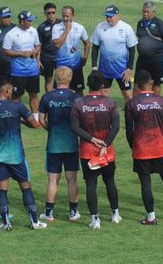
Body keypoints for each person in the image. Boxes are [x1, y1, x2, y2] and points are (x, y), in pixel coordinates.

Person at [0, 77, 46, 231]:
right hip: (16, 155)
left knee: (2, 188)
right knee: (25, 187)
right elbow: (35, 124)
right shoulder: (17, 107)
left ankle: (6, 223)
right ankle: (34, 222)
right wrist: (20, 120)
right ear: (7, 90)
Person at [125, 70, 163, 225]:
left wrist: (133, 146)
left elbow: (129, 131)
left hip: (141, 150)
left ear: (136, 84)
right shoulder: (162, 101)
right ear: (151, 82)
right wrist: (160, 139)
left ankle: (151, 217)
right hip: (159, 148)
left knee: (145, 183)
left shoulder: (131, 103)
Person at [70, 70, 122, 229]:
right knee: (110, 182)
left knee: (91, 184)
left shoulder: (78, 103)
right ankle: (115, 214)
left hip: (87, 151)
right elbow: (116, 127)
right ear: (102, 85)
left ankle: (95, 220)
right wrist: (105, 144)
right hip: (106, 152)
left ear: (87, 84)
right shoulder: (110, 103)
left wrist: (92, 140)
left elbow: (74, 127)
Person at [38, 67, 82, 222]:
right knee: (72, 179)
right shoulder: (76, 98)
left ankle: (49, 213)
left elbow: (41, 120)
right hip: (71, 144)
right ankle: (73, 212)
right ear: (70, 79)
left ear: (56, 79)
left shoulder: (47, 97)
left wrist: (50, 129)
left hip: (54, 145)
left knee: (52, 180)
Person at [91, 5, 138, 102]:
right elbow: (95, 47)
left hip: (122, 70)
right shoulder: (100, 27)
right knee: (104, 96)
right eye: (106, 16)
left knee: (128, 96)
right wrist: (94, 66)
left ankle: (130, 116)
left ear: (117, 16)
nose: (108, 19)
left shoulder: (126, 28)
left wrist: (129, 68)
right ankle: (105, 116)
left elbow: (132, 49)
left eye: (110, 16)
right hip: (105, 70)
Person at [3, 10, 42, 118]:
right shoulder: (11, 34)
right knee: (16, 96)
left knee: (34, 94)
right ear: (22, 21)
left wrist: (35, 51)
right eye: (29, 21)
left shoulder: (33, 31)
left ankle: (36, 118)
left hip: (32, 70)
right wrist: (21, 54)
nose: (31, 23)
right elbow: (6, 50)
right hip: (18, 71)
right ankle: (15, 117)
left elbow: (38, 45)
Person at [135, 1, 163, 95]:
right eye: (144, 11)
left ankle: (155, 102)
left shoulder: (159, 23)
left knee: (156, 83)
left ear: (153, 12)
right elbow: (139, 37)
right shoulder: (140, 23)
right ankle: (135, 103)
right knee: (137, 83)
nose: (145, 14)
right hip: (142, 59)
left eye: (147, 12)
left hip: (157, 59)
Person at [51, 6, 90, 95]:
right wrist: (67, 30)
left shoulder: (80, 27)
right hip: (61, 67)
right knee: (60, 92)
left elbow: (87, 43)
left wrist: (85, 57)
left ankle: (80, 108)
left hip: (76, 66)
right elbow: (57, 44)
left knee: (79, 91)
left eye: (67, 16)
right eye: (63, 16)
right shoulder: (56, 27)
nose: (65, 18)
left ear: (73, 15)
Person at [38, 2, 62, 93]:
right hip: (47, 57)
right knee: (48, 79)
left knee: (61, 78)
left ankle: (60, 97)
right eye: (48, 13)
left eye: (53, 12)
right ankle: (50, 98)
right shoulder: (41, 27)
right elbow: (38, 45)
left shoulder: (62, 24)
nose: (51, 15)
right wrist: (38, 60)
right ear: (45, 13)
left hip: (60, 56)